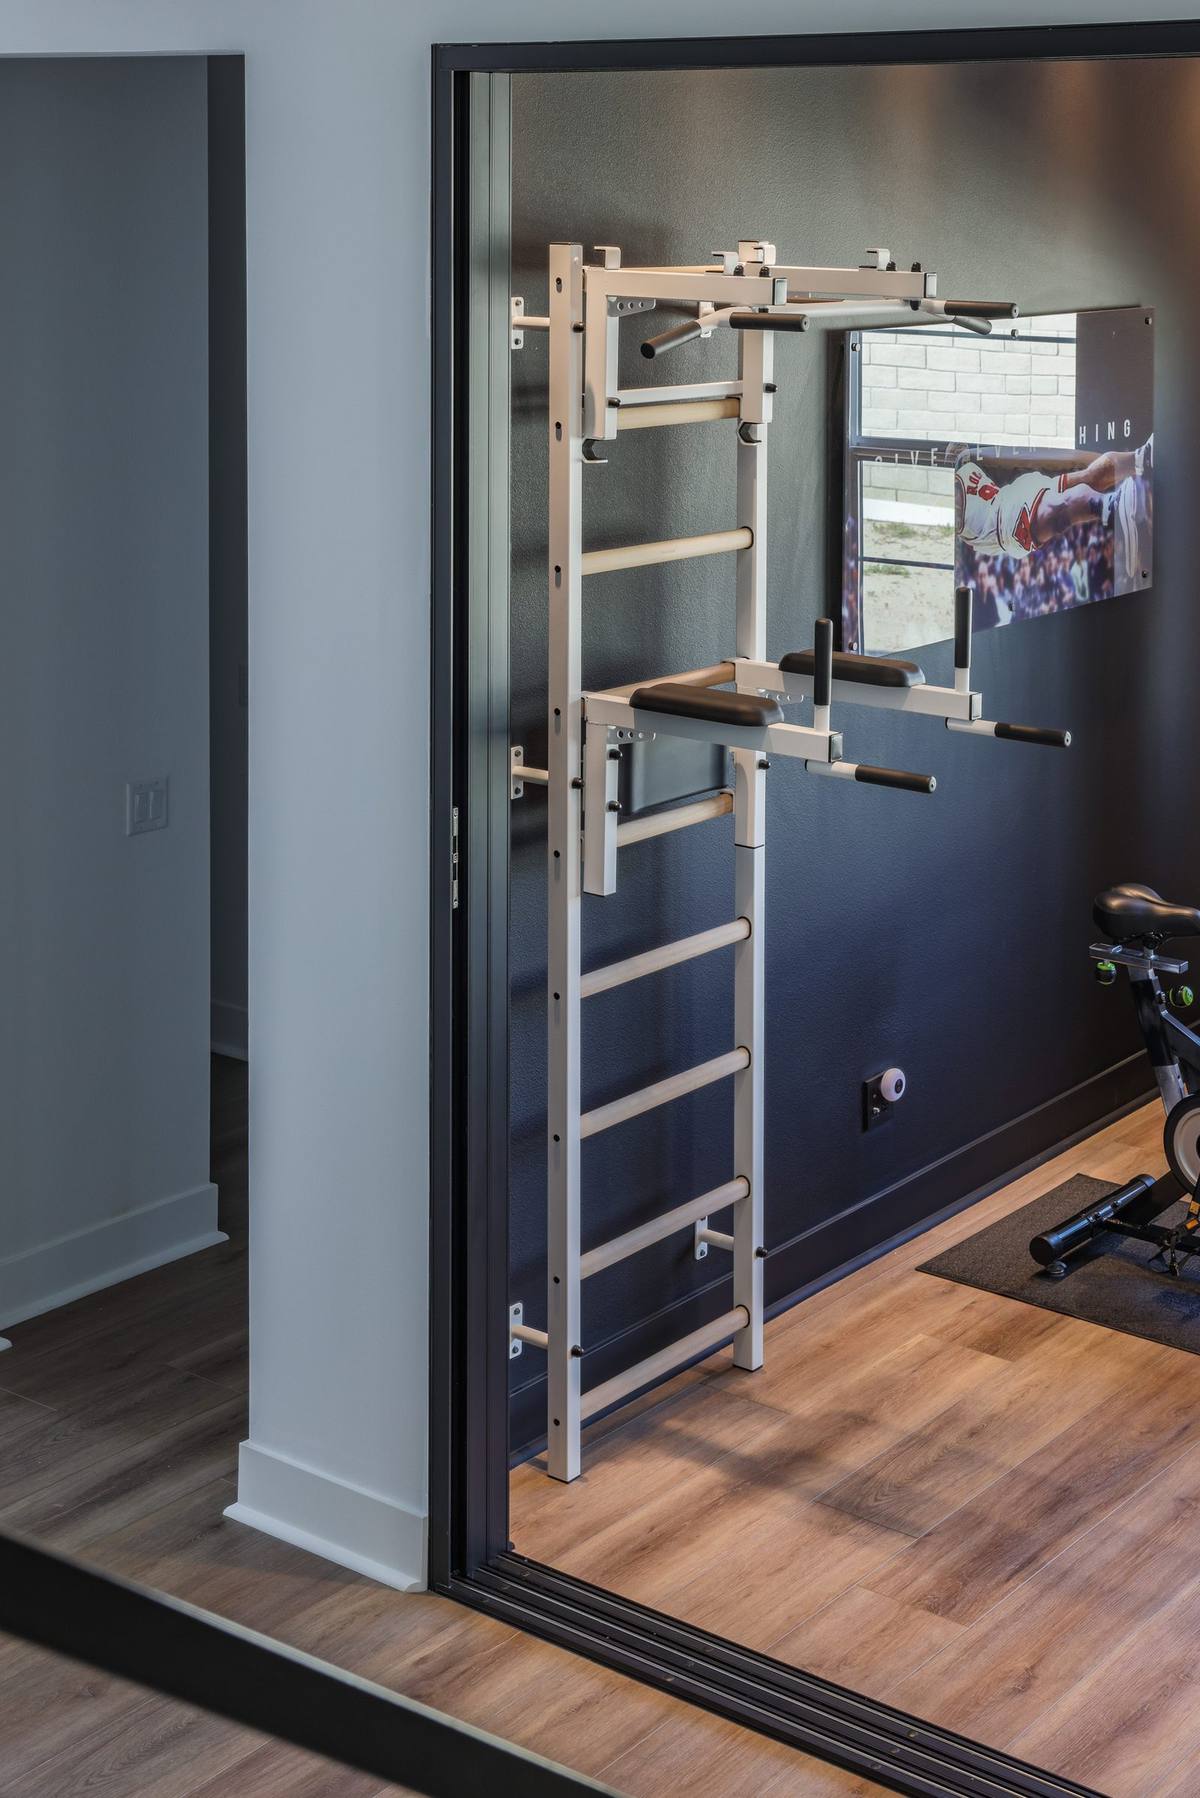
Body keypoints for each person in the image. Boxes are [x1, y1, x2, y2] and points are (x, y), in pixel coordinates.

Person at [953, 436, 1152, 584]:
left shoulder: (957, 495)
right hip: (1013, 493)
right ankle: (1143, 457)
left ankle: (1114, 504)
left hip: (1005, 522)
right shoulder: (966, 467)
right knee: (1087, 477)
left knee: (1061, 511)